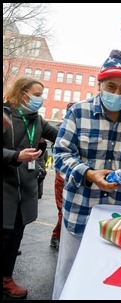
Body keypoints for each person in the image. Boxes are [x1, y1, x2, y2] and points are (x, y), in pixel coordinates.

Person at [51, 50, 121, 300]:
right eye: (111, 86)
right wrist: (89, 174)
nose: (117, 94)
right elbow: (61, 155)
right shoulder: (78, 112)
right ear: (100, 84)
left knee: (109, 272)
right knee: (70, 269)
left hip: (119, 214)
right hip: (80, 209)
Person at [3, 76, 58, 299]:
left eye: (40, 95)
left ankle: (6, 279)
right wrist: (16, 155)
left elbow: (62, 136)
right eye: (36, 95)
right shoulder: (5, 114)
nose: (40, 99)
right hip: (5, 186)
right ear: (22, 93)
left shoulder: (38, 120)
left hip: (25, 189)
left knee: (16, 234)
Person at [50, 102, 75, 250]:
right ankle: (56, 237)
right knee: (63, 210)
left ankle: (61, 238)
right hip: (63, 175)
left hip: (77, 176)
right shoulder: (61, 128)